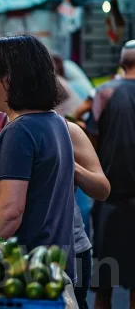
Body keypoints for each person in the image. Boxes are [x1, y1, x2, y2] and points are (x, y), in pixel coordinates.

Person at [0, 109, 109, 309]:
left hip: (67, 248)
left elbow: (102, 189)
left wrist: (63, 160)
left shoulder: (66, 129)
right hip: (8, 247)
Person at [0, 34, 77, 283]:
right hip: (51, 267)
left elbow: (10, 211)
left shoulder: (19, 130)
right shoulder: (55, 122)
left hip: (23, 271)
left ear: (9, 79)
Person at [89, 41, 135, 309]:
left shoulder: (105, 93)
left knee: (104, 286)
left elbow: (91, 146)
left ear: (121, 64)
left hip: (109, 203)